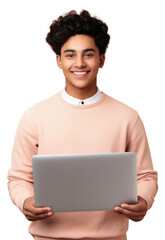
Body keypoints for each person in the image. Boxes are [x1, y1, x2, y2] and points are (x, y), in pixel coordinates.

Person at [8, 10, 158, 240]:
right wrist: (25, 201)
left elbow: (146, 176)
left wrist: (143, 200)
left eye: (88, 54)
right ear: (59, 61)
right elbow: (19, 178)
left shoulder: (128, 117)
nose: (79, 63)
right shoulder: (34, 117)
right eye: (70, 55)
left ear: (102, 59)